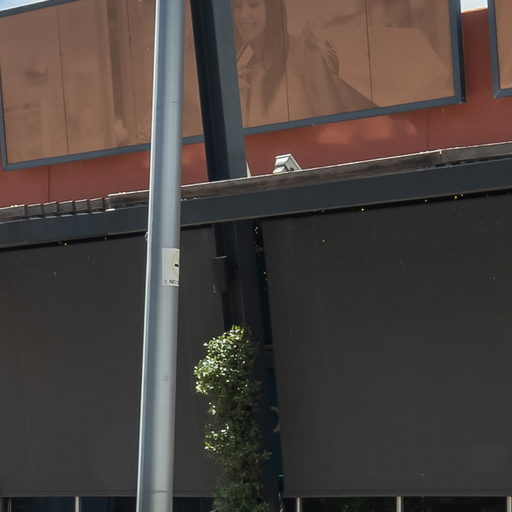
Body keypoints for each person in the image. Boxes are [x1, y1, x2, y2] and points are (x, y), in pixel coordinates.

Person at [232, 0, 375, 128]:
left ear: (272, 8)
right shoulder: (241, 71)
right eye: (237, 6)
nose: (243, 15)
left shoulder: (305, 50)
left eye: (253, 5)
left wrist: (331, 39)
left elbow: (334, 122)